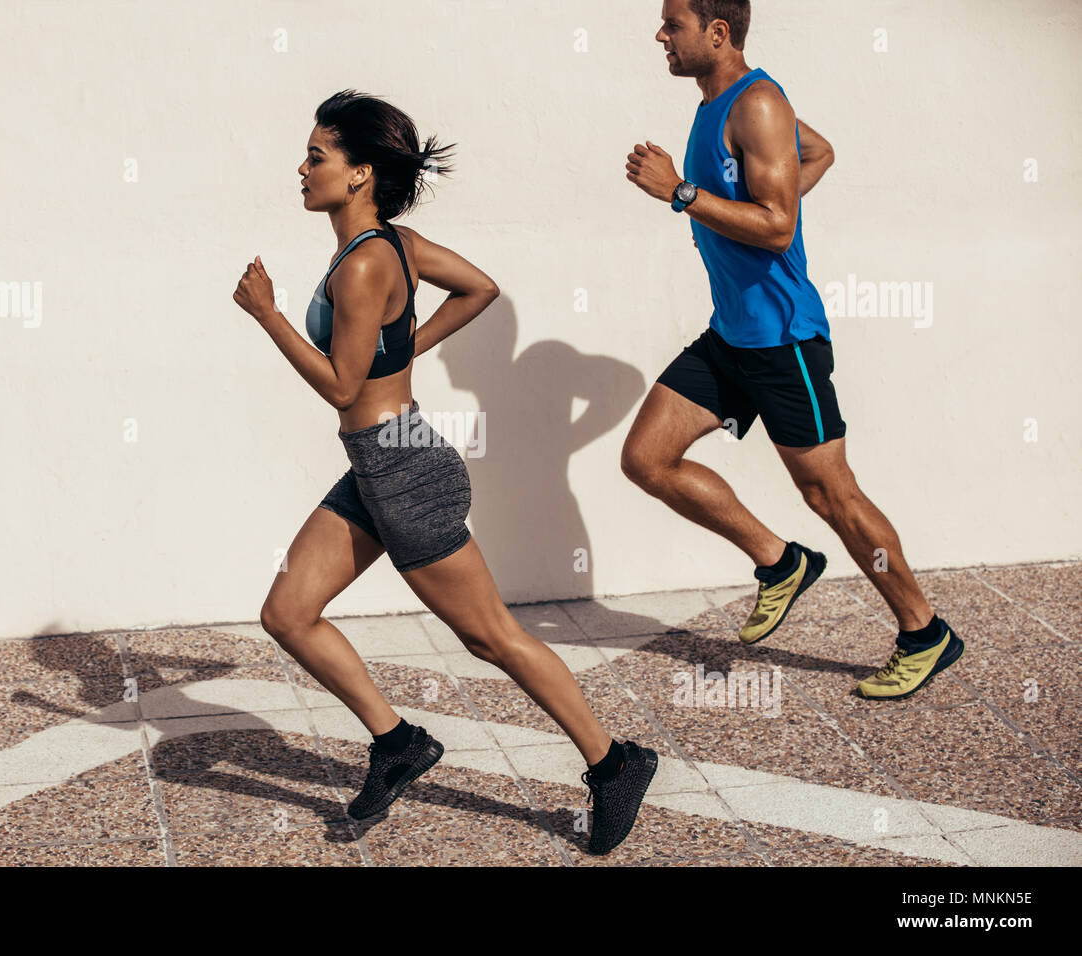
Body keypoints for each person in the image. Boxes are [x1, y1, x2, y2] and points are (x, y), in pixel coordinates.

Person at [232, 90, 656, 853]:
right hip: (379, 466)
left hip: (404, 473)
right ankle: (397, 744)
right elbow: (481, 287)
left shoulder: (364, 265)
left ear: (360, 174)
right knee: (288, 613)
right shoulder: (396, 243)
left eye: (317, 156)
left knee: (492, 637)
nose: (302, 168)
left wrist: (267, 316)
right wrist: (408, 347)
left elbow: (340, 385)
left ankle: (615, 761)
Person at [621, 0, 964, 700]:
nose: (660, 35)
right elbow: (819, 154)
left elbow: (777, 228)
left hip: (784, 340)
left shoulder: (759, 104)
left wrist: (681, 193)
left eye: (672, 24)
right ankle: (780, 564)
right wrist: (734, 207)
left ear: (718, 33)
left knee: (830, 493)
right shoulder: (713, 102)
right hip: (732, 334)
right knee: (646, 459)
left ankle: (925, 631)